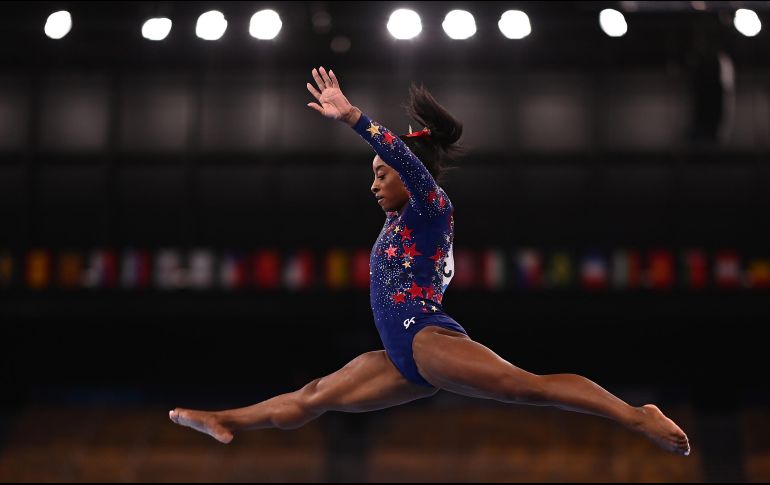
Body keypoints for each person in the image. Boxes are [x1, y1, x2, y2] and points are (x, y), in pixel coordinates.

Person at [169, 67, 690, 456]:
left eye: (381, 174)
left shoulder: (431, 206)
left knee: (527, 388)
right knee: (310, 399)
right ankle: (226, 420)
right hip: (399, 354)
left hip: (425, 335)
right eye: (373, 175)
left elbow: (404, 160)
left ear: (408, 172)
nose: (374, 183)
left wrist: (351, 116)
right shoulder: (398, 223)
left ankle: (636, 415)